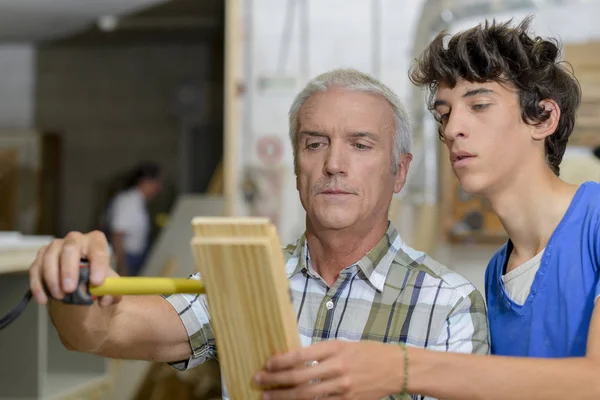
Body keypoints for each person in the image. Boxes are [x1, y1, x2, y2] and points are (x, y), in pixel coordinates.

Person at [28, 69, 489, 400]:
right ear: (296, 167)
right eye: (314, 143)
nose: (333, 163)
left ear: (399, 172)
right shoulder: (243, 279)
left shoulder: (449, 304)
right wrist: (72, 281)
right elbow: (99, 335)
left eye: (361, 145)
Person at [253, 17, 600, 400]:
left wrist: (401, 368)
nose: (452, 130)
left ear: (544, 117)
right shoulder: (498, 275)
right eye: (445, 114)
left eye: (479, 105)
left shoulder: (595, 223)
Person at [105, 161, 162, 276]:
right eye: (157, 183)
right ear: (146, 182)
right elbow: (117, 236)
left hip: (134, 257)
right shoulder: (128, 202)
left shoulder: (138, 201)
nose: (159, 188)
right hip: (126, 257)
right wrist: (122, 267)